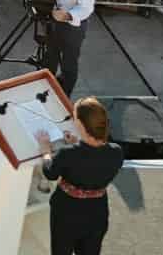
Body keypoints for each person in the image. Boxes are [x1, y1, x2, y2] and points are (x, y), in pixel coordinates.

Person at [38, 96, 125, 255]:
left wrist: (45, 151)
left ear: (80, 124)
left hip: (66, 212)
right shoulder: (116, 152)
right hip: (97, 212)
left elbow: (50, 172)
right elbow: (91, 158)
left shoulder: (67, 154)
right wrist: (76, 143)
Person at [37, 0, 96, 96]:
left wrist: (68, 15)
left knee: (69, 62)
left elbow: (86, 7)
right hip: (54, 19)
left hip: (73, 25)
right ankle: (44, 86)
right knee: (50, 55)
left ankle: (64, 95)